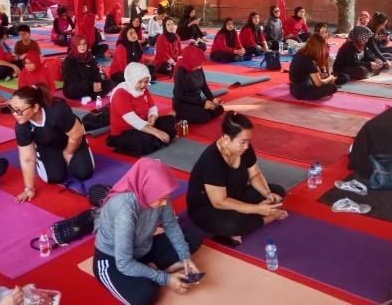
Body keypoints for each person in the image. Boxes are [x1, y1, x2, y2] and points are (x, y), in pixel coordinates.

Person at [93, 158, 202, 305]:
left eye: (166, 198)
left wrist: (185, 257)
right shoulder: (125, 211)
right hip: (114, 259)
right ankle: (156, 271)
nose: (165, 203)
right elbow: (124, 263)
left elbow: (171, 225)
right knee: (144, 296)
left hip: (142, 249)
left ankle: (149, 270)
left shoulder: (160, 195)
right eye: (162, 199)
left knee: (193, 236)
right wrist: (165, 279)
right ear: (146, 189)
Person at [187, 112, 287, 245]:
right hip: (207, 207)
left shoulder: (244, 149)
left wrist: (267, 193)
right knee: (232, 224)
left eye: (248, 141)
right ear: (226, 138)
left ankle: (250, 216)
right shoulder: (212, 159)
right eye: (243, 141)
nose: (247, 146)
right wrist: (256, 209)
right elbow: (219, 202)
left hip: (235, 195)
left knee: (277, 192)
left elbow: (255, 174)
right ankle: (265, 218)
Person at [10, 85, 95, 200]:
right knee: (54, 178)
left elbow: (76, 135)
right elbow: (27, 159)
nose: (14, 114)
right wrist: (29, 189)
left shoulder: (57, 110)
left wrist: (69, 152)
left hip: (72, 138)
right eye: (12, 109)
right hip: (47, 144)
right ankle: (53, 157)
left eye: (19, 110)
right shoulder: (21, 125)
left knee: (84, 173)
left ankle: (77, 150)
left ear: (35, 107)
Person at [108, 63, 176, 156]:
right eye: (140, 82)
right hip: (125, 131)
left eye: (146, 81)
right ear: (132, 79)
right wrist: (156, 132)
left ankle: (159, 140)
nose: (143, 85)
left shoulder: (144, 90)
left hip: (145, 125)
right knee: (145, 140)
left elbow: (152, 107)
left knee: (170, 120)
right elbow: (132, 119)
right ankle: (161, 139)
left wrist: (152, 116)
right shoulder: (120, 93)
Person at [173, 44, 224, 124]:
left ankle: (199, 112)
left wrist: (212, 99)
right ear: (191, 62)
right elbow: (180, 95)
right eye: (198, 65)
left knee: (219, 108)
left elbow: (204, 86)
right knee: (204, 117)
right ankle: (181, 114)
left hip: (196, 101)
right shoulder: (181, 72)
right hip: (183, 103)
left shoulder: (198, 67)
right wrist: (203, 104)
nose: (200, 67)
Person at [62, 34, 113, 100]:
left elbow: (96, 73)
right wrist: (92, 84)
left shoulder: (89, 58)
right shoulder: (69, 60)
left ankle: (90, 97)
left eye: (84, 44)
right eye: (79, 44)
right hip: (75, 87)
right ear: (75, 45)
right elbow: (73, 80)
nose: (82, 46)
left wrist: (97, 83)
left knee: (108, 83)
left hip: (90, 86)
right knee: (81, 87)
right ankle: (98, 94)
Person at [289, 34, 339, 100]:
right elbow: (319, 83)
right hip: (302, 91)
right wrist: (330, 78)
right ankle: (317, 96)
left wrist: (324, 76)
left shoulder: (301, 52)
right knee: (333, 87)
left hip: (293, 88)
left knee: (329, 78)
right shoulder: (309, 60)